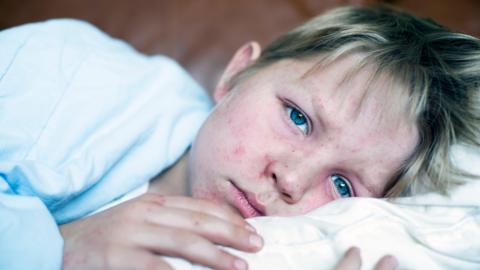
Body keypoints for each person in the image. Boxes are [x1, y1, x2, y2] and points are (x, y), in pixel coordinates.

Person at [1, 4, 478, 270]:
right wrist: (57, 246)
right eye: (297, 118)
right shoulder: (66, 72)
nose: (291, 178)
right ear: (235, 74)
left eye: (342, 186)